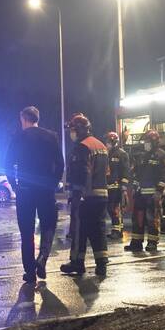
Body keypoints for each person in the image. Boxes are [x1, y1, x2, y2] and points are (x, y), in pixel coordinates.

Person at [4, 106, 63, 284]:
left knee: (27, 232)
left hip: (25, 192)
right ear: (37, 118)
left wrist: (15, 186)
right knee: (48, 226)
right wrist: (52, 183)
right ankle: (42, 258)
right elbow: (60, 163)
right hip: (45, 190)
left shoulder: (18, 137)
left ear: (23, 119)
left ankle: (30, 273)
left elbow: (7, 164)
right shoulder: (51, 136)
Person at [61, 114, 110, 277]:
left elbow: (83, 172)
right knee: (99, 229)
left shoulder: (82, 147)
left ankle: (77, 262)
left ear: (80, 130)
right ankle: (101, 264)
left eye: (73, 130)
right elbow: (106, 172)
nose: (71, 134)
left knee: (79, 229)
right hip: (102, 195)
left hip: (85, 196)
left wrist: (78, 194)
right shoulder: (101, 146)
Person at [127, 128, 165, 252]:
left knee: (153, 219)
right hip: (140, 193)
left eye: (147, 142)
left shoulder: (162, 155)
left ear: (154, 142)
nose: (145, 144)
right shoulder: (141, 156)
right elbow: (135, 173)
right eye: (145, 142)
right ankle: (136, 242)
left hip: (153, 194)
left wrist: (159, 191)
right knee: (137, 218)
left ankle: (152, 242)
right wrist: (134, 187)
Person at [104, 131, 130, 240]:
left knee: (115, 208)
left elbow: (125, 171)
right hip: (108, 186)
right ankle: (116, 229)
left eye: (108, 142)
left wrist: (124, 185)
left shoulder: (122, 154)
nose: (107, 144)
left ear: (114, 142)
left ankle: (117, 230)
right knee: (110, 208)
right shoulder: (106, 153)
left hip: (117, 186)